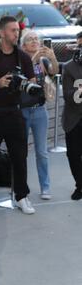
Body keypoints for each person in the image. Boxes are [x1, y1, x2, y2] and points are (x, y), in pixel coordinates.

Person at [0, 15, 36, 214]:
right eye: (12, 30)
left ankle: (21, 196)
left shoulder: (24, 57)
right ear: (2, 33)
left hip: (15, 113)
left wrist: (29, 85)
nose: (16, 33)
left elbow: (33, 84)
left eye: (17, 30)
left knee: (20, 156)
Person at [21, 31, 59, 200]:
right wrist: (36, 56)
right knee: (21, 152)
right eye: (31, 39)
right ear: (23, 45)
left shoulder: (42, 60)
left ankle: (45, 187)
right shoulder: (20, 60)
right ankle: (21, 191)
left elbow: (55, 72)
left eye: (37, 39)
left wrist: (52, 57)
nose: (35, 41)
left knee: (42, 152)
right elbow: (26, 75)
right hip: (22, 111)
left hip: (39, 110)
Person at [62, 37, 82, 200]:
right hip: (74, 118)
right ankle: (80, 185)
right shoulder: (69, 67)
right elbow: (67, 95)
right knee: (73, 154)